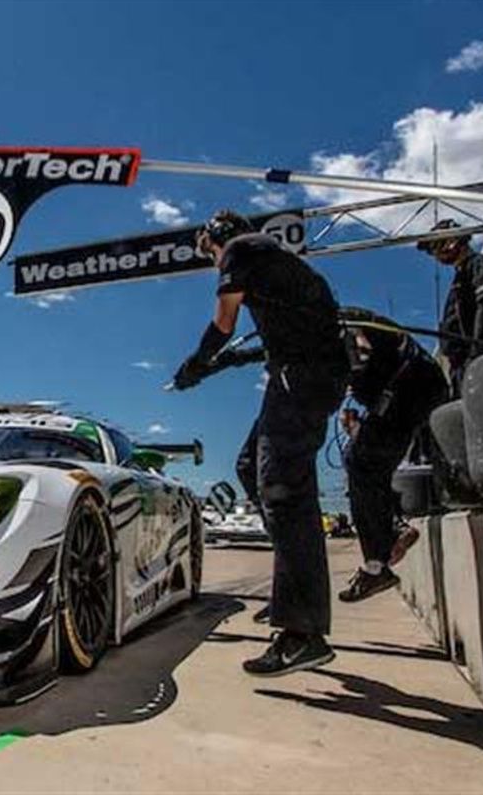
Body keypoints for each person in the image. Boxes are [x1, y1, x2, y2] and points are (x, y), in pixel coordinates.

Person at [173, 209, 348, 677]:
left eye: (207, 251)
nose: (212, 262)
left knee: (282, 490)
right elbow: (268, 338)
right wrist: (217, 366)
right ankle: (290, 591)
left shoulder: (240, 249)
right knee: (251, 467)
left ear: (215, 238)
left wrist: (195, 362)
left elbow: (224, 323)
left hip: (301, 380)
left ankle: (302, 633)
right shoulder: (272, 263)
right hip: (302, 376)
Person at [335, 307, 448, 602]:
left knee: (358, 460)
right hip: (416, 390)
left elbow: (360, 348)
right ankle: (394, 529)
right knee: (372, 464)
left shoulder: (339, 324)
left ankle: (376, 565)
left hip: (408, 389)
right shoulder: (344, 324)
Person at [417, 219, 483, 394]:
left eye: (436, 246)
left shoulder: (482, 265)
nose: (435, 254)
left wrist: (477, 356)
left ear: (453, 241)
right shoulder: (460, 277)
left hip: (481, 363)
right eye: (432, 250)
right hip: (462, 368)